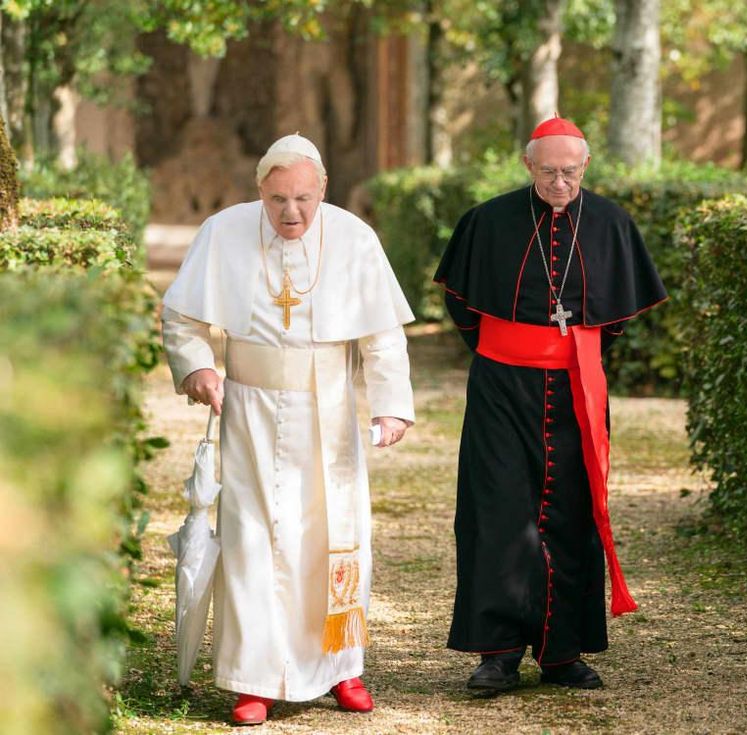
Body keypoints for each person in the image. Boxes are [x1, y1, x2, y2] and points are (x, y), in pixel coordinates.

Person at [162, 134, 415, 725]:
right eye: (278, 199)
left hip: (329, 409)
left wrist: (390, 405)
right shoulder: (224, 232)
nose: (291, 213)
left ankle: (341, 666)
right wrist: (198, 366)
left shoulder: (354, 238)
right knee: (254, 541)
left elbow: (381, 336)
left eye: (303, 198)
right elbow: (181, 318)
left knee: (334, 537)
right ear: (260, 192)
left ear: (322, 189)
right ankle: (255, 677)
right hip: (248, 411)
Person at [434, 115, 668, 693]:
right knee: (497, 512)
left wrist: (569, 351)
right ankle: (498, 652)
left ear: (585, 167)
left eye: (569, 172)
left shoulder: (611, 223)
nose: (559, 183)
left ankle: (562, 651)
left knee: (571, 511)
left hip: (575, 388)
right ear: (527, 167)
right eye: (548, 172)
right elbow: (463, 309)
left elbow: (613, 320)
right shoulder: (487, 221)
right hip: (501, 388)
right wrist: (513, 351)